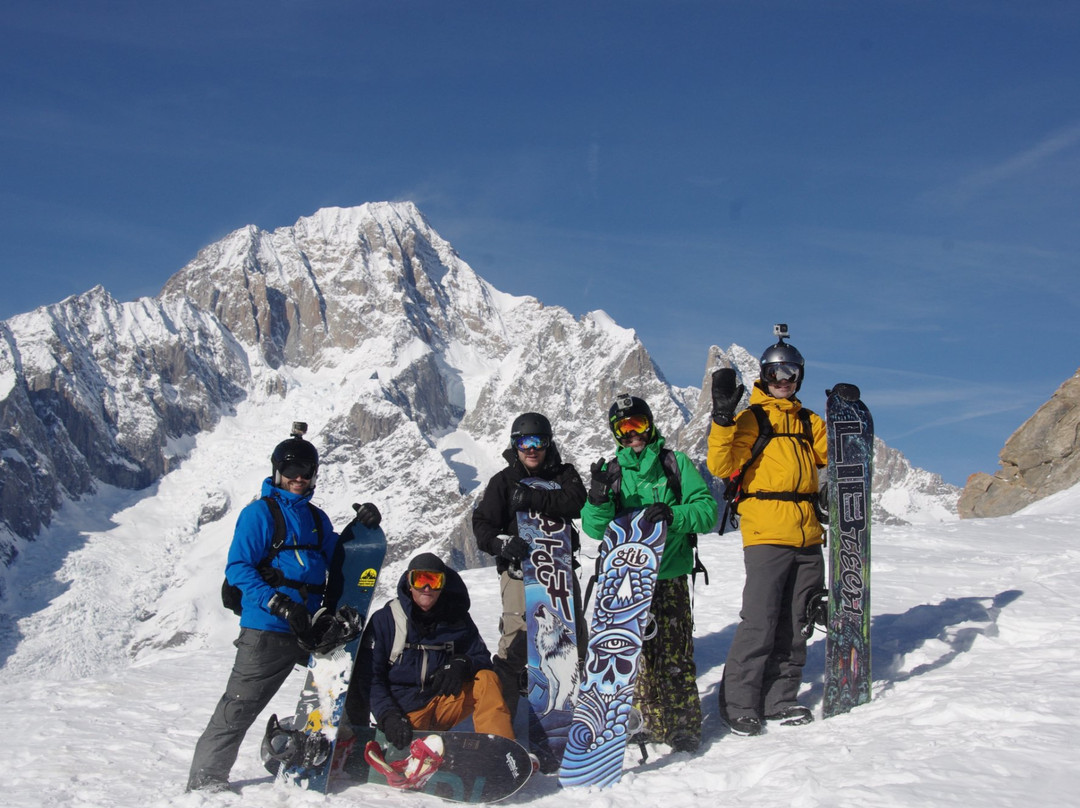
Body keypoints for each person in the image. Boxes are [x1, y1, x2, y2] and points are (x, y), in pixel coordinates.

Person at [186, 424, 382, 792]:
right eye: (291, 470)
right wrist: (279, 604)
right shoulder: (260, 515)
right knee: (239, 705)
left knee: (347, 681)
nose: (298, 478)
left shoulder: (316, 519)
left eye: (305, 471)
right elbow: (239, 568)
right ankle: (206, 780)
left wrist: (363, 527)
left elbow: (340, 556)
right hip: (268, 627)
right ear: (278, 471)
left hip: (311, 627)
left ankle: (352, 750)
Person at [706, 329, 828, 736]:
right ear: (763, 374)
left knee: (797, 622)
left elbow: (837, 458)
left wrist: (846, 417)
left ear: (800, 376)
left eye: (790, 372)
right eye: (775, 372)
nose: (783, 380)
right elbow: (721, 465)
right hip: (766, 534)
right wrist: (722, 421)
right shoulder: (752, 419)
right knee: (759, 621)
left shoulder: (810, 422)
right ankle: (738, 703)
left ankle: (780, 699)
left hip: (808, 534)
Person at [580, 395, 718, 753]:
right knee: (634, 657)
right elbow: (595, 529)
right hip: (626, 579)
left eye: (638, 424)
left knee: (674, 654)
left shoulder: (675, 464)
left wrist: (674, 516)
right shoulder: (612, 473)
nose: (632, 434)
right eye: (623, 428)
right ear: (615, 433)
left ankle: (683, 726)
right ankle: (646, 723)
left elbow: (706, 512)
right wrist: (598, 499)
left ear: (650, 424)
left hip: (668, 574)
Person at [471, 412, 588, 718]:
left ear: (549, 444)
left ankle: (579, 715)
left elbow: (576, 502)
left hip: (560, 572)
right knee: (515, 644)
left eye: (538, 442)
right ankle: (502, 722)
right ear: (515, 445)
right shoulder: (503, 481)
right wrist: (501, 544)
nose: (532, 449)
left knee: (574, 639)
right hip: (519, 573)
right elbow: (482, 525)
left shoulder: (564, 475)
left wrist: (531, 498)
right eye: (525, 442)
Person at [353, 553, 514, 748]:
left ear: (443, 584)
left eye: (434, 580)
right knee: (405, 747)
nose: (427, 588)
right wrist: (389, 716)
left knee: (486, 679)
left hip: (443, 704)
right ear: (409, 582)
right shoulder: (386, 620)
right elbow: (370, 678)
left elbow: (481, 656)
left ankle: (499, 750)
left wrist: (462, 663)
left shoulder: (456, 617)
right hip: (405, 715)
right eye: (420, 580)